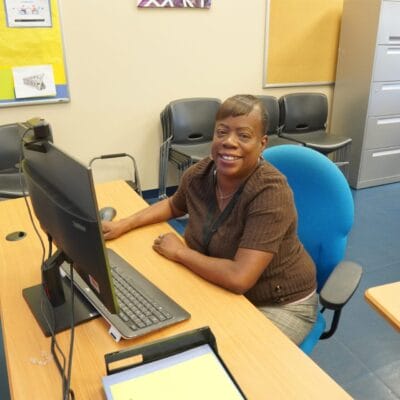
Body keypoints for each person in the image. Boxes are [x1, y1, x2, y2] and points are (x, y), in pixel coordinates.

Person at [102, 94, 318, 344]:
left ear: (262, 143)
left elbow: (239, 277)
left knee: (230, 362)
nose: (229, 142)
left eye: (244, 135)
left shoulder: (270, 193)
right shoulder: (200, 174)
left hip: (279, 303)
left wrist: (180, 253)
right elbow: (173, 205)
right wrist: (122, 225)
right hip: (222, 288)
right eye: (222, 132)